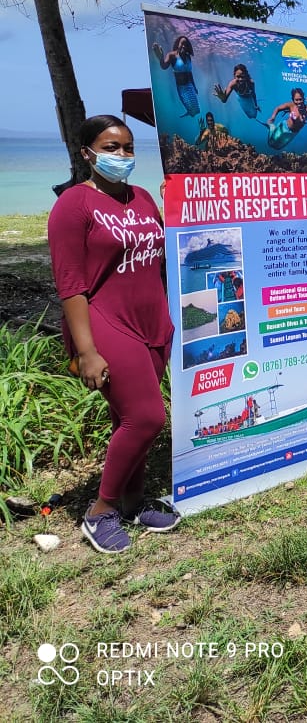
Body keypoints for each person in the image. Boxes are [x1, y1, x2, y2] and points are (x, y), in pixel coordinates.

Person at [48, 115, 179, 554]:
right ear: (86, 152)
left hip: (152, 323)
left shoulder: (142, 197)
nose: (122, 156)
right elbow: (70, 284)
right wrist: (85, 350)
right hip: (106, 322)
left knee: (127, 418)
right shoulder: (74, 205)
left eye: (127, 147)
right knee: (148, 418)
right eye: (110, 147)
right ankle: (100, 511)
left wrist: (176, 206)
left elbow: (161, 254)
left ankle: (133, 501)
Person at [152, 35, 199, 117]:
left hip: (190, 86)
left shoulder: (188, 57)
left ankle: (189, 112)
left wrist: (194, 87)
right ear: (178, 44)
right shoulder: (172, 55)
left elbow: (190, 73)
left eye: (186, 44)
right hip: (181, 88)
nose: (184, 46)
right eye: (182, 44)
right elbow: (164, 66)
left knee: (196, 109)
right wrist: (160, 58)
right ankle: (188, 112)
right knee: (189, 106)